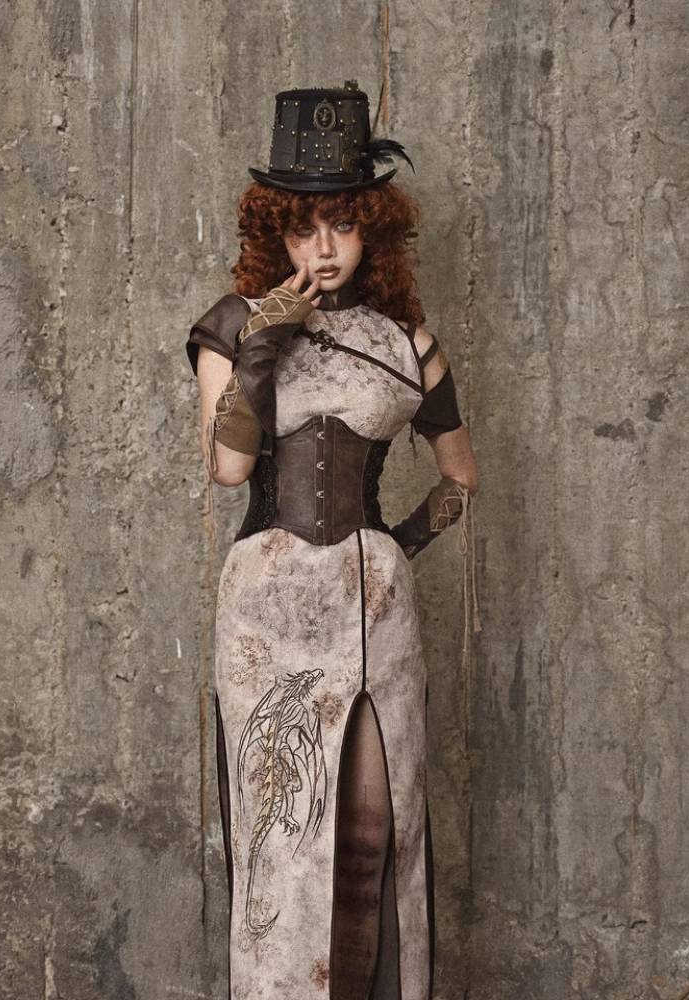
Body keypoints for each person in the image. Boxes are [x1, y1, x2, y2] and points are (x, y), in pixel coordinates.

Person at [185, 81, 480, 1000]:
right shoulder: (230, 327)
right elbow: (229, 466)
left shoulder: (407, 344)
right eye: (304, 227)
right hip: (267, 611)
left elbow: (461, 475)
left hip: (375, 608)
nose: (323, 248)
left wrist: (393, 545)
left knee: (376, 831)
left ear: (370, 231)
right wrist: (270, 329)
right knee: (281, 836)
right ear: (274, 232)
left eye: (343, 225)